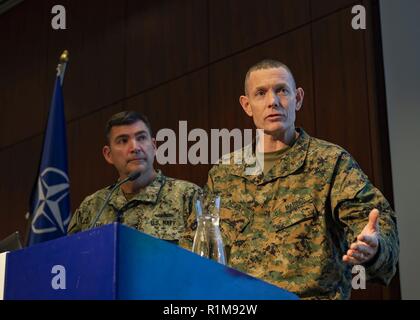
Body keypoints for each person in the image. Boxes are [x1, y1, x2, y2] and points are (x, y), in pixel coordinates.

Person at [181, 59, 399, 299]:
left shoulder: (330, 162)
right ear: (247, 105)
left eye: (282, 90)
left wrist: (375, 248)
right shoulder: (224, 174)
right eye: (261, 93)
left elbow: (374, 222)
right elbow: (193, 249)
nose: (273, 101)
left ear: (298, 98)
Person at [68, 111, 201, 244]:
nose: (135, 147)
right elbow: (70, 259)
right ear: (108, 154)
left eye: (141, 138)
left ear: (154, 146)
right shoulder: (91, 207)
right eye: (123, 141)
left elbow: (207, 260)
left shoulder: (189, 197)